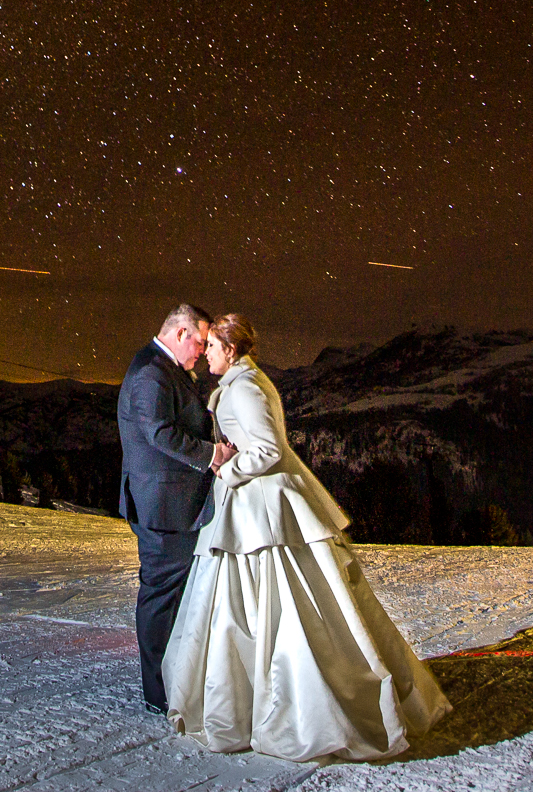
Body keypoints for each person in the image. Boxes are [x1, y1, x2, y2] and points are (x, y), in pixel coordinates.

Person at [163, 313, 450, 761]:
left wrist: (227, 467)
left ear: (231, 350)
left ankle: (305, 707)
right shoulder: (242, 383)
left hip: (263, 509)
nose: (206, 357)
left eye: (213, 349)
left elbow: (270, 449)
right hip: (252, 508)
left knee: (278, 607)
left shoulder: (246, 387)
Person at [118, 302, 236, 714]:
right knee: (161, 596)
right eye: (201, 343)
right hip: (162, 506)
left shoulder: (163, 369)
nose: (202, 353)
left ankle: (174, 681)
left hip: (173, 503)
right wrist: (212, 455)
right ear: (182, 333)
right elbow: (158, 433)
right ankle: (159, 693)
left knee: (174, 595)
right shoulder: (151, 372)